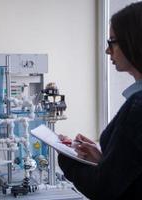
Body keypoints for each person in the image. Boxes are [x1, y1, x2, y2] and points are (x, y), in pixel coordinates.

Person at [58, 2, 142, 200]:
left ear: (134, 41)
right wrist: (105, 159)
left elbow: (103, 189)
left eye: (112, 41)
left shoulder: (138, 106)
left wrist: (65, 157)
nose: (107, 50)